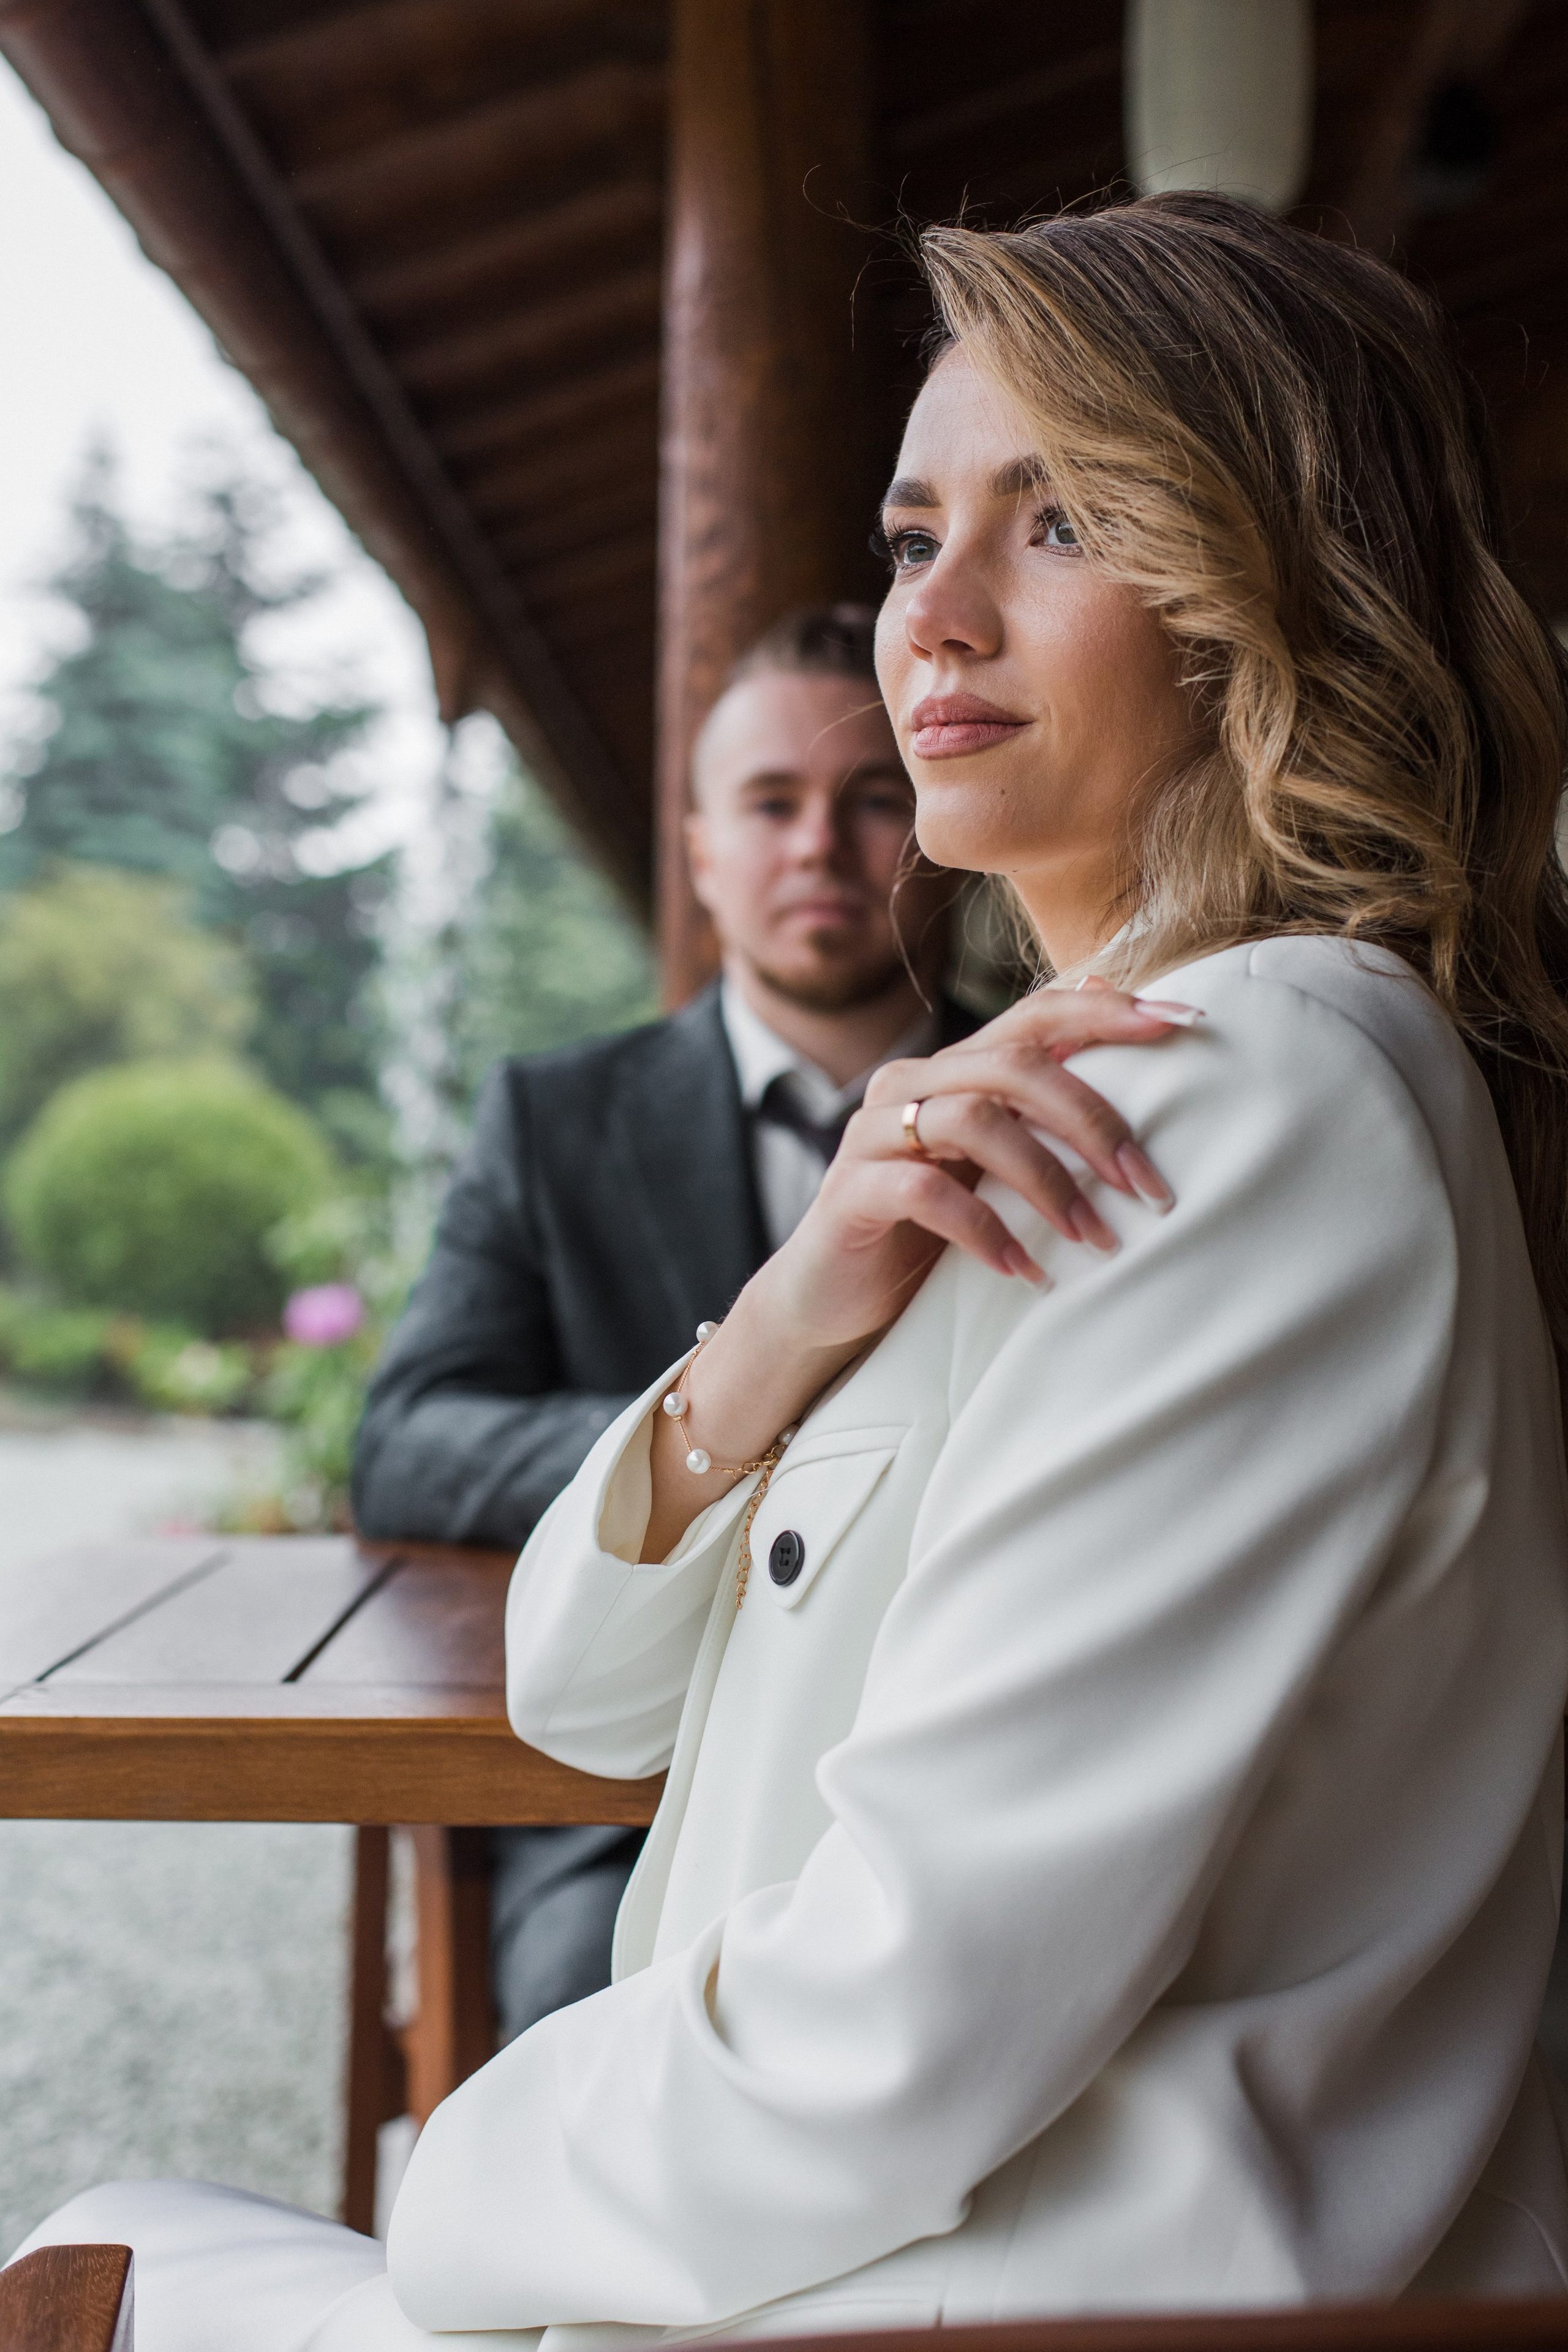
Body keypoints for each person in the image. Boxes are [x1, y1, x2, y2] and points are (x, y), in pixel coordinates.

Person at [20, 189, 1568, 2345]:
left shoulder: (1249, 1095)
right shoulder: (1046, 1096)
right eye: (917, 536)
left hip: (991, 2292)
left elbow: (907, 2017)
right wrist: (790, 1315)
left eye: (1061, 522)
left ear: (1271, 586)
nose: (932, 623)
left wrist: (451, 2179)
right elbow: (579, 1692)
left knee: (85, 2266)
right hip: (861, 2253)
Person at [352, 605, 989, 2043]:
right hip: (617, 1794)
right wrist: (732, 1439)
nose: (816, 845)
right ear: (699, 850)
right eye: (767, 804)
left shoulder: (1051, 1089)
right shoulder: (552, 1116)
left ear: (937, 821)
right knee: (590, 1994)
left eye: (869, 797)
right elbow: (405, 1437)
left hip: (951, 1761)